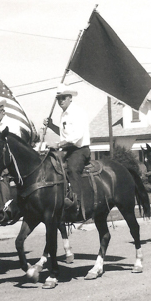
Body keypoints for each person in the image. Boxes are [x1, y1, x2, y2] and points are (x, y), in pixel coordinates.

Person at [44, 84, 91, 220]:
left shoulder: (78, 112)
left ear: (70, 98)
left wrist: (58, 144)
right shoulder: (63, 114)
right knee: (50, 166)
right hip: (66, 149)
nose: (60, 101)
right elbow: (64, 133)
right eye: (58, 98)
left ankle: (77, 204)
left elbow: (76, 136)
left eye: (63, 98)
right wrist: (51, 125)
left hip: (80, 149)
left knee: (72, 168)